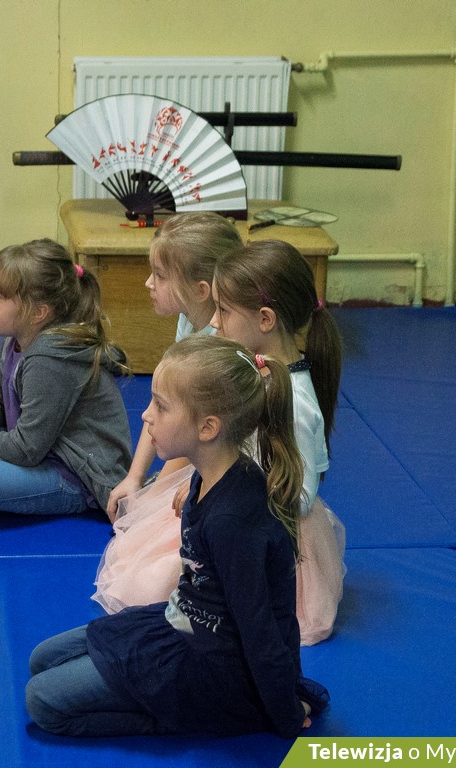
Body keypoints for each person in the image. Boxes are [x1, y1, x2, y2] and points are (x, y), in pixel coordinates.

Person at [25, 335, 330, 738]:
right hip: (182, 622)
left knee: (42, 702)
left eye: (161, 406)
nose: (146, 415)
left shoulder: (233, 520)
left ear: (207, 428)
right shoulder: (206, 478)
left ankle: (171, 718)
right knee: (42, 658)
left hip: (214, 668)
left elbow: (261, 633)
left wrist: (285, 714)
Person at [93, 240, 346, 645]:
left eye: (224, 311)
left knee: (157, 589)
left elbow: (297, 497)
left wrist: (221, 492)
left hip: (265, 531)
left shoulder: (294, 400)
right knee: (142, 569)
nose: (214, 321)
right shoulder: (255, 369)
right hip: (230, 507)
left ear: (265, 319)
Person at [0, 239, 132, 531]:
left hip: (74, 477)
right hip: (42, 452)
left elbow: (26, 449)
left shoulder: (49, 359)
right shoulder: (16, 341)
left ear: (38, 312)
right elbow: (4, 405)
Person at [103, 211, 243, 521]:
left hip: (219, 462)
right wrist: (134, 477)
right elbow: (161, 402)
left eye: (160, 276)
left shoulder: (219, 344)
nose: (148, 283)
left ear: (200, 290)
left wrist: (152, 499)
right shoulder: (189, 318)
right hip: (197, 453)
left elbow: (199, 434)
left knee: (143, 525)